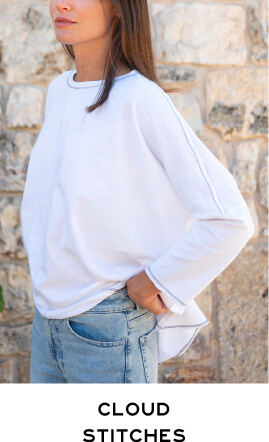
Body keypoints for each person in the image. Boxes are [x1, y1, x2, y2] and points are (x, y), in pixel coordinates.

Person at [20, 0, 255, 383]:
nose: (62, 3)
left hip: (108, 328)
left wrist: (159, 280)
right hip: (46, 323)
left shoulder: (140, 100)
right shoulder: (58, 91)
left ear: (118, 8)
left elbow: (230, 218)